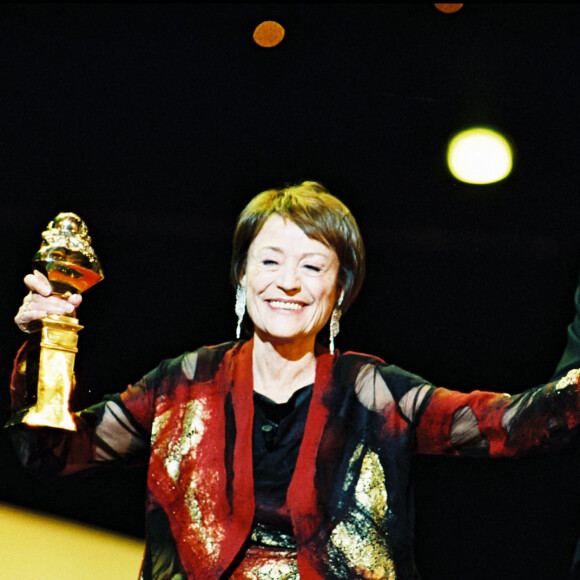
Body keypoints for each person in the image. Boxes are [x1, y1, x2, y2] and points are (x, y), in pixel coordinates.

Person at [8, 181, 580, 580]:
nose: (288, 283)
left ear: (338, 293)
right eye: (270, 260)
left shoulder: (372, 392)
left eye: (312, 266)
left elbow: (511, 425)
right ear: (242, 276)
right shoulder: (182, 384)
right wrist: (48, 343)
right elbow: (51, 454)